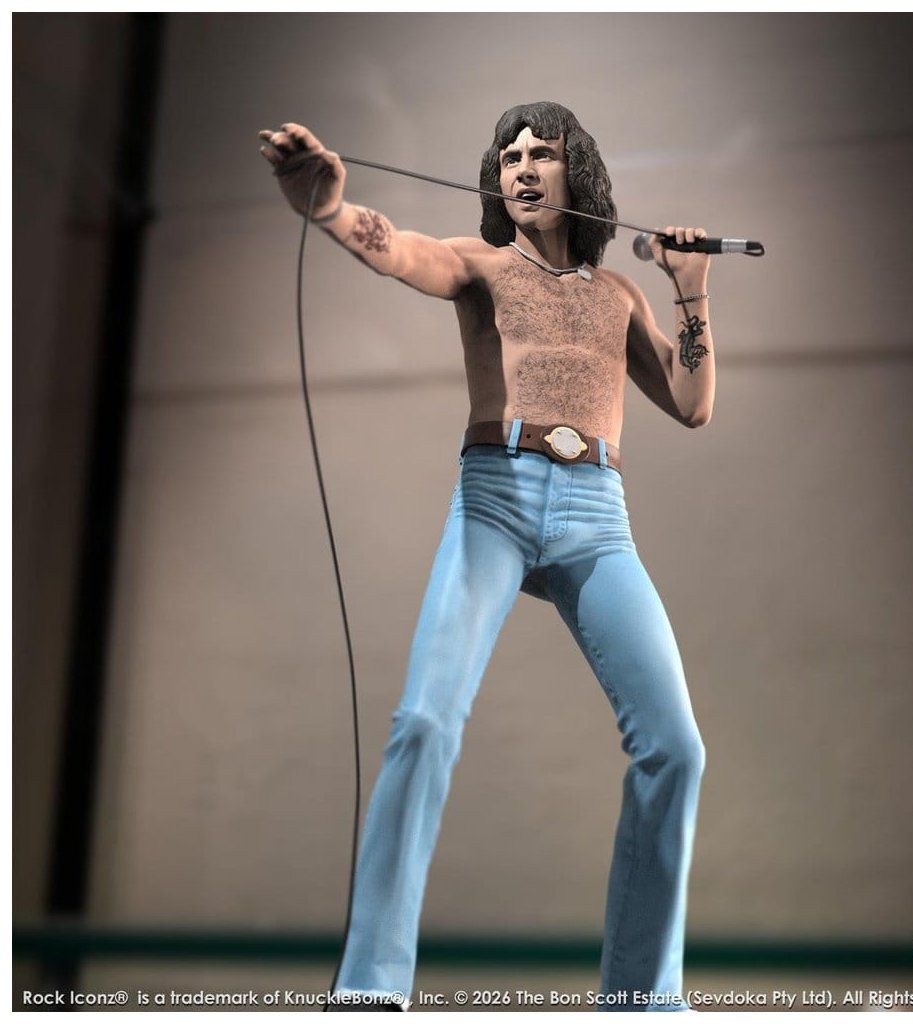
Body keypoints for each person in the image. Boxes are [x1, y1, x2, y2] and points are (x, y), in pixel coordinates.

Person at [258, 101, 713, 1013]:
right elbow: (399, 250)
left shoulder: (618, 296)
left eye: (543, 152)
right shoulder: (481, 264)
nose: (524, 167)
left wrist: (691, 288)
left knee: (677, 748)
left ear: (578, 171)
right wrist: (330, 210)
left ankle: (643, 999)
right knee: (425, 721)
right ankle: (370, 988)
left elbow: (693, 403)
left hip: (598, 517)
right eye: (510, 157)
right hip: (497, 499)